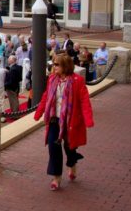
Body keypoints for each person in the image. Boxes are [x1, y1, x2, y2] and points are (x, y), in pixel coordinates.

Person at [34, 54, 94, 191]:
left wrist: (88, 119)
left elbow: (84, 101)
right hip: (55, 120)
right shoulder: (52, 79)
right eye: (53, 64)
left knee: (70, 147)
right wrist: (38, 113)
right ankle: (56, 177)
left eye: (56, 65)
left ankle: (72, 163)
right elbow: (46, 97)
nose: (53, 67)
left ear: (65, 66)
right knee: (53, 148)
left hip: (70, 121)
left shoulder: (77, 81)